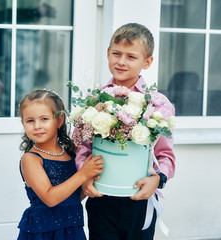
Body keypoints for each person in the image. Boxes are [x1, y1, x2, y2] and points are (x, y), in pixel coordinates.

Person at [74, 23, 176, 239]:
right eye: (116, 53)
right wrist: (84, 176)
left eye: (131, 56)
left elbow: (165, 155)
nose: (121, 61)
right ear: (107, 53)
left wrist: (157, 180)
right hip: (101, 197)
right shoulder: (94, 101)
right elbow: (82, 146)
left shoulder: (157, 105)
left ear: (147, 62)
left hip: (139, 198)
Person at [17, 89, 104, 240]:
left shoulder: (70, 153)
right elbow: (50, 199)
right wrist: (83, 173)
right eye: (30, 120)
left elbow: (72, 197)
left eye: (44, 119)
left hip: (72, 230)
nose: (37, 126)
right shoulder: (31, 159)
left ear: (59, 120)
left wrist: (90, 180)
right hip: (42, 233)